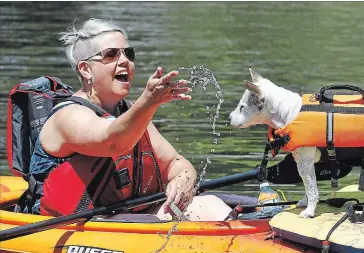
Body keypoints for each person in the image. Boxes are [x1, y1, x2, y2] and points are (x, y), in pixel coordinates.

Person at [26, 18, 231, 221]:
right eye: (111, 55)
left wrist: (182, 181)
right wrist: (148, 103)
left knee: (209, 204)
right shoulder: (68, 116)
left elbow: (176, 163)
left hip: (123, 217)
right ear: (85, 69)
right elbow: (114, 142)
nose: (125, 60)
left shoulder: (130, 111)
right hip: (65, 226)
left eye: (128, 53)